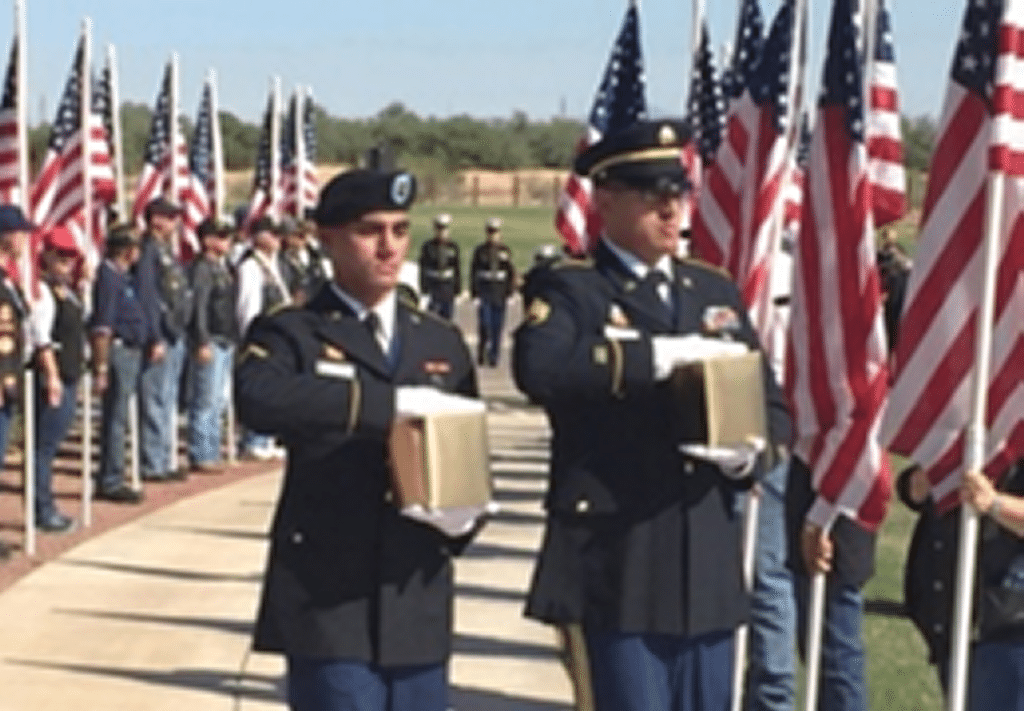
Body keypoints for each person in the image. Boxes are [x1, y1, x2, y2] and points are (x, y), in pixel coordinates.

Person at [512, 119, 791, 711]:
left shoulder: (711, 292)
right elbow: (542, 370)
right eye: (651, 196)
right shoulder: (572, 291)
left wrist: (750, 452)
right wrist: (658, 357)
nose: (671, 211)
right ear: (606, 200)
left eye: (678, 195)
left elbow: (773, 406)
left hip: (705, 557)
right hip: (618, 556)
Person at [234, 166, 482, 711]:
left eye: (399, 229)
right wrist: (385, 407)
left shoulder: (437, 339)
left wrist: (464, 518)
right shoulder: (293, 330)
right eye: (370, 231)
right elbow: (259, 398)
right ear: (327, 238)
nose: (389, 247)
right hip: (330, 594)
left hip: (415, 590)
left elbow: (468, 448)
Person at [901, 462, 1024, 709]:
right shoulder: (974, 434)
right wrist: (915, 484)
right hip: (951, 618)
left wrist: (995, 504)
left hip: (1009, 627)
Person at [786, 457, 877, 711]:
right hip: (809, 500)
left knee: (836, 659)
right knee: (817, 654)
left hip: (841, 522)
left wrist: (821, 517)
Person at [29, 226, 84, 533]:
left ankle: (45, 504)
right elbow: (42, 340)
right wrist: (52, 377)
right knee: (44, 447)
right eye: (60, 257)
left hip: (70, 374)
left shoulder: (68, 292)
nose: (66, 263)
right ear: (47, 257)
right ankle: (43, 509)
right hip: (55, 376)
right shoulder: (45, 294)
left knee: (51, 445)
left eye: (70, 257)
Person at [135, 196, 193, 483]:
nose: (174, 223)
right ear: (155, 219)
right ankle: (153, 462)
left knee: (168, 399)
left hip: (175, 333)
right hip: (161, 335)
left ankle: (165, 457)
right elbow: (148, 296)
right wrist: (155, 336)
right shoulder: (148, 251)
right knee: (156, 399)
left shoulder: (166, 252)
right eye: (168, 217)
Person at [90, 226, 148, 504]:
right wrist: (101, 367)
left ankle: (115, 473)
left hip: (130, 350)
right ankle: (111, 479)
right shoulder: (109, 278)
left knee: (121, 417)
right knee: (115, 419)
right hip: (118, 352)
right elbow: (103, 325)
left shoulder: (123, 277)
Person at [235, 215, 290, 460]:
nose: (277, 239)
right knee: (259, 386)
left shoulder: (273, 264)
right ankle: (254, 439)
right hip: (261, 336)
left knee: (276, 389)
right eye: (272, 234)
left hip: (278, 336)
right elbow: (248, 305)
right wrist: (252, 335)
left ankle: (267, 438)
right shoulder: (250, 266)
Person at [186, 219, 238, 472]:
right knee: (205, 399)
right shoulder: (203, 269)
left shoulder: (224, 268)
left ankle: (213, 449)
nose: (227, 242)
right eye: (221, 237)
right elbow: (200, 306)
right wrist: (202, 339)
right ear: (207, 240)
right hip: (211, 339)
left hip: (226, 338)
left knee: (218, 400)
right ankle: (201, 452)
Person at [469, 217, 515, 366]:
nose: (492, 235)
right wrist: (474, 292)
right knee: (485, 324)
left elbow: (510, 273)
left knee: (497, 327)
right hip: (485, 292)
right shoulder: (480, 251)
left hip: (500, 293)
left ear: (499, 233)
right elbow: (474, 272)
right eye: (490, 232)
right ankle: (482, 351)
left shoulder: (505, 251)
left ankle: (494, 356)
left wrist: (510, 292)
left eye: (495, 232)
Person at [278, 216, 330, 306]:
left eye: (303, 236)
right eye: (297, 235)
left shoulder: (317, 257)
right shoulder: (280, 260)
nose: (301, 240)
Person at [418, 213, 461, 320]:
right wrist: (424, 289)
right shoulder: (428, 247)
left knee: (447, 320)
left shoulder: (453, 247)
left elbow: (457, 269)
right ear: (435, 230)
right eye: (439, 229)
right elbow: (423, 268)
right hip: (433, 288)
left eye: (444, 229)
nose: (442, 232)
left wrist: (457, 289)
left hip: (447, 288)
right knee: (432, 320)